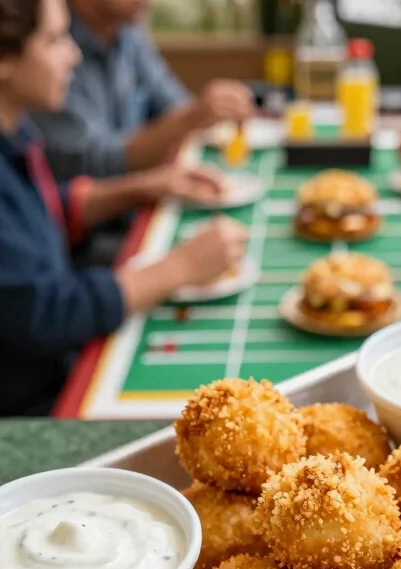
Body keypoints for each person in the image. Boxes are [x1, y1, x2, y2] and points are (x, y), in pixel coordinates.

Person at [0, 0, 247, 416]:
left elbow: (43, 212)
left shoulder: (16, 129)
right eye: (55, 40)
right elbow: (42, 311)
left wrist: (144, 187)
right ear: (6, 59)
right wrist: (178, 269)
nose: (72, 53)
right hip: (30, 410)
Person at [30, 0, 254, 181]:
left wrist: (200, 113)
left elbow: (173, 103)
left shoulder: (127, 32)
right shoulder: (46, 58)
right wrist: (189, 118)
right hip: (102, 227)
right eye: (55, 40)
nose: (71, 54)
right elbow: (95, 164)